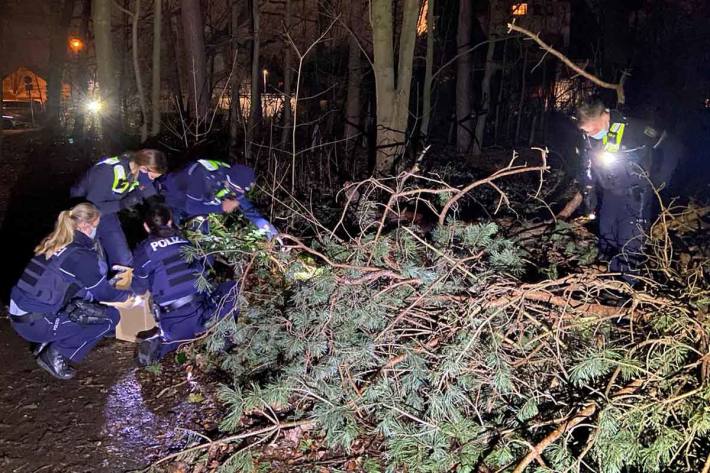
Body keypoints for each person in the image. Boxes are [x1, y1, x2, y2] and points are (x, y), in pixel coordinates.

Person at [8, 203, 134, 380]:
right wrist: (128, 297)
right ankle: (56, 353)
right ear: (85, 226)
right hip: (35, 324)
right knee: (110, 317)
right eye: (96, 227)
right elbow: (104, 295)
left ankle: (48, 339)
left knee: (85, 298)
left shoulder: (56, 241)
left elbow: (75, 283)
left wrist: (106, 283)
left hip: (21, 314)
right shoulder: (80, 255)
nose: (96, 232)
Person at [574, 100, 681, 281]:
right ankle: (607, 283)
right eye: (586, 131)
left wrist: (661, 180)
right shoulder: (588, 137)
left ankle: (627, 291)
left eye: (593, 129)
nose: (590, 134)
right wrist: (589, 193)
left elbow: (673, 146)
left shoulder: (636, 129)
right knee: (606, 239)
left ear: (604, 115)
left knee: (630, 243)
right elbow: (587, 166)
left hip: (635, 197)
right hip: (609, 196)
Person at [131, 204, 238, 365]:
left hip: (174, 322)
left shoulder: (144, 251)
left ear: (146, 226)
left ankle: (158, 345)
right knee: (233, 288)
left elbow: (138, 288)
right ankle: (222, 337)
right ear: (169, 222)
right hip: (204, 312)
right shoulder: (185, 241)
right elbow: (206, 265)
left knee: (173, 337)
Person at [70, 149, 168, 271]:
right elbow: (92, 209)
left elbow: (149, 193)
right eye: (152, 177)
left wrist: (161, 212)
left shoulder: (136, 171)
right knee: (94, 265)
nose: (152, 180)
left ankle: (123, 285)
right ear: (143, 168)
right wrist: (123, 204)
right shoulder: (108, 171)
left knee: (123, 260)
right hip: (83, 214)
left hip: (107, 212)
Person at [156, 159, 277, 238]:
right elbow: (191, 207)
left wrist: (265, 225)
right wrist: (220, 208)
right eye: (238, 190)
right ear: (231, 182)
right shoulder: (202, 174)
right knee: (169, 238)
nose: (238, 194)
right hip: (172, 199)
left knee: (202, 241)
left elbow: (245, 205)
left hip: (196, 203)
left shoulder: (232, 179)